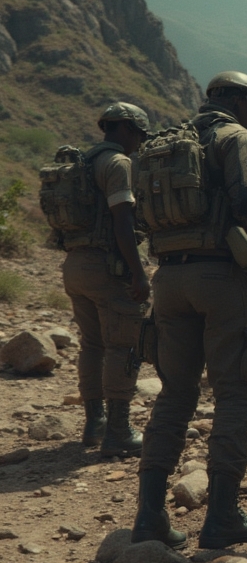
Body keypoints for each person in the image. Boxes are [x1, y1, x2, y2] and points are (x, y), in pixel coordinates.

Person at [132, 71, 247, 550]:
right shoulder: (235, 139)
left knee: (174, 395)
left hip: (168, 280)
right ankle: (221, 518)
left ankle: (149, 517)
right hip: (219, 277)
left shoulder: (166, 145)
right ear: (240, 102)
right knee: (236, 392)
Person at [59, 102, 152, 458]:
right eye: (139, 136)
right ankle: (118, 431)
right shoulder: (117, 164)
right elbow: (122, 222)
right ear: (127, 129)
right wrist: (139, 273)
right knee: (123, 345)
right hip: (105, 268)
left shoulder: (83, 162)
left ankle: (94, 422)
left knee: (92, 345)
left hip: (75, 265)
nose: (139, 144)